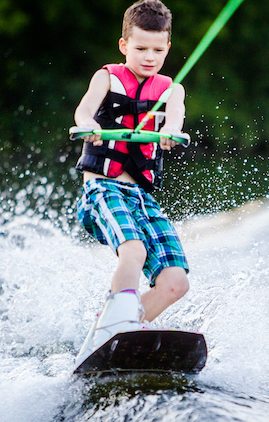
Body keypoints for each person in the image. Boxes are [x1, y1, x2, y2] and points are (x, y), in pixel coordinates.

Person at [72, 0, 189, 364]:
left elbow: (175, 118)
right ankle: (113, 330)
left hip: (139, 197)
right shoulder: (106, 77)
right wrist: (89, 124)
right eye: (140, 49)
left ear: (168, 48)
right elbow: (84, 109)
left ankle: (117, 330)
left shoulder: (172, 89)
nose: (149, 57)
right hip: (102, 190)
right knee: (134, 252)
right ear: (124, 45)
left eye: (157, 49)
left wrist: (170, 132)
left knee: (175, 282)